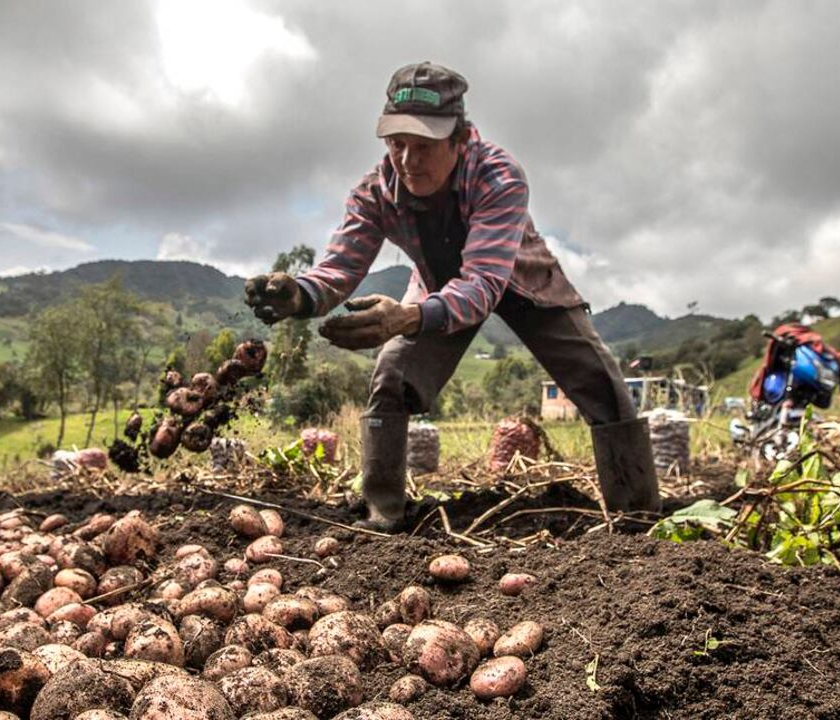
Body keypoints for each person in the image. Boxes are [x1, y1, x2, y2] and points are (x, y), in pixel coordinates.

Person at [244, 61, 660, 531]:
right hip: (435, 291)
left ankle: (638, 519)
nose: (408, 161)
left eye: (424, 147)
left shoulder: (498, 175)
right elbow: (340, 266)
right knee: (391, 376)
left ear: (460, 140)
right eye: (398, 145)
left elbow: (483, 282)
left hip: (519, 279)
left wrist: (404, 318)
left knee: (598, 379)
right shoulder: (374, 192)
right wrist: (298, 294)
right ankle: (384, 515)